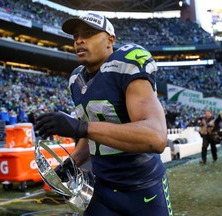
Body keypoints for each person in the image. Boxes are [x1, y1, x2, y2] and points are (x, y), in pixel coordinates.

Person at [35, 12, 172, 216]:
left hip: (143, 190)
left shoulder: (126, 64)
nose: (79, 40)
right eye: (75, 36)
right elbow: (92, 135)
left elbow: (156, 137)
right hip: (101, 189)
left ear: (111, 40)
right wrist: (70, 164)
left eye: (89, 33)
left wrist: (80, 127)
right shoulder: (76, 80)